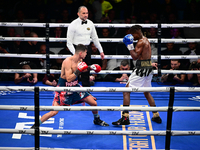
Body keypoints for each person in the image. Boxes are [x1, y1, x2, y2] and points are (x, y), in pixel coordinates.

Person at [31, 44, 108, 129]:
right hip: (63, 89)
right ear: (81, 53)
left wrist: (91, 67)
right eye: (86, 52)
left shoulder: (80, 60)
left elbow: (83, 68)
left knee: (94, 103)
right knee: (53, 112)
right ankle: (36, 126)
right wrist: (78, 71)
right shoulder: (67, 61)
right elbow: (69, 78)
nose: (86, 54)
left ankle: (96, 119)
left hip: (75, 87)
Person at [112, 25, 162, 125]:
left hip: (141, 70)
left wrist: (129, 46)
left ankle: (125, 118)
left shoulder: (140, 42)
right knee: (146, 92)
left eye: (132, 34)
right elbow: (146, 56)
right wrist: (149, 64)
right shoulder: (146, 40)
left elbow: (135, 57)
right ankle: (156, 115)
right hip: (148, 68)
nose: (132, 37)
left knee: (126, 91)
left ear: (136, 32)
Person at [66, 6, 104, 87]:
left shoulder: (90, 23)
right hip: (77, 49)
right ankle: (73, 92)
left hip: (87, 49)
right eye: (83, 13)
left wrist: (101, 50)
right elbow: (69, 42)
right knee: (74, 70)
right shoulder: (73, 24)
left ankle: (86, 92)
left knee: (86, 71)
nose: (86, 15)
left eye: (87, 13)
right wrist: (75, 54)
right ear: (78, 14)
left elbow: (95, 38)